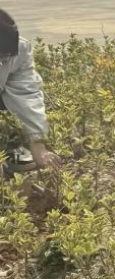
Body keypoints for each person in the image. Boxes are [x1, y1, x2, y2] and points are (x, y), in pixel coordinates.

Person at [0, 9, 59, 172]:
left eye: (5, 57)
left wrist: (37, 143)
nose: (3, 61)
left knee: (13, 105)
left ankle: (12, 146)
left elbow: (27, 94)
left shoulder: (19, 49)